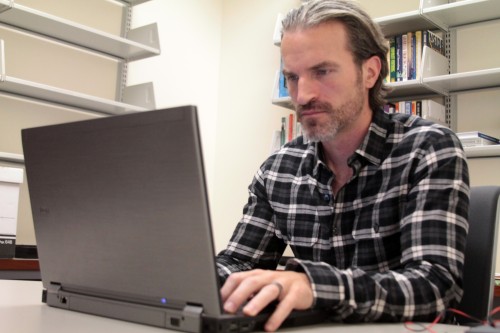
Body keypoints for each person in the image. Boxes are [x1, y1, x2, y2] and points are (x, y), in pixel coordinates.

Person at [216, 0, 469, 331]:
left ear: (370, 71)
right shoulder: (279, 168)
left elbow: (434, 287)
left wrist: (315, 287)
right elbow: (239, 261)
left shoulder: (428, 149)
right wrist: (196, 280)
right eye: (292, 77)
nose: (302, 95)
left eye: (322, 72)